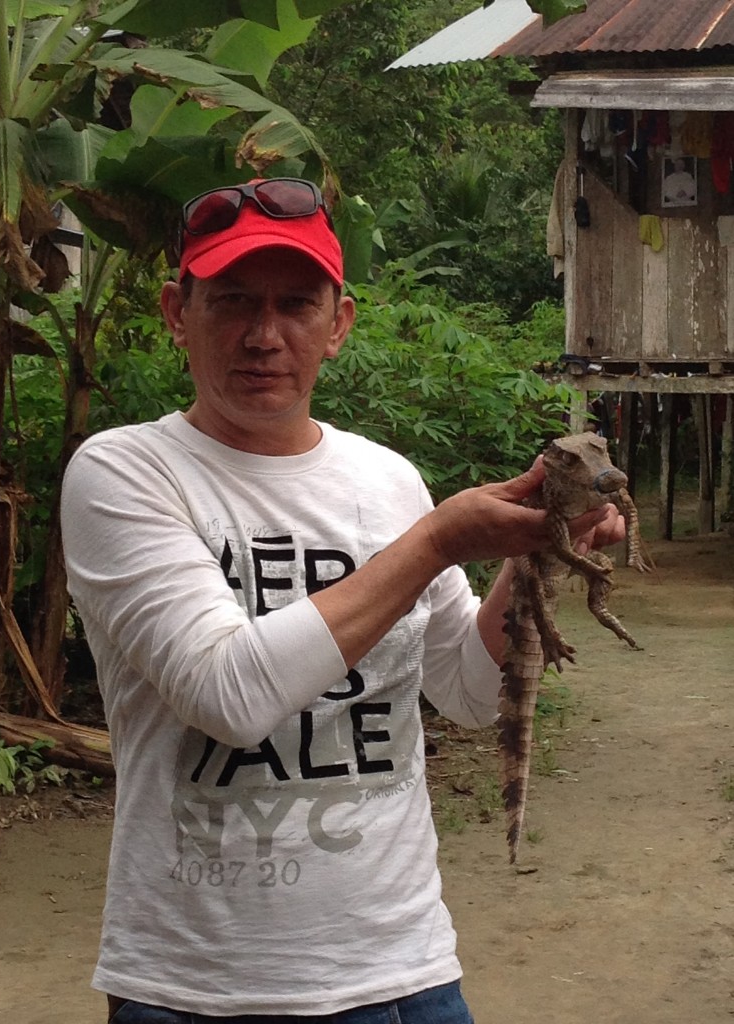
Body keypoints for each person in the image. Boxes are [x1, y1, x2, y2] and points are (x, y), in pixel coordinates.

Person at [61, 177, 623, 1024]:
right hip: (202, 984)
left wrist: (531, 555)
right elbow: (228, 694)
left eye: (296, 304)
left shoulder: (385, 478)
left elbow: (465, 691)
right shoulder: (124, 473)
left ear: (339, 325)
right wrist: (438, 541)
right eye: (232, 302)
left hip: (403, 969)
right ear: (179, 313)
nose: (263, 334)